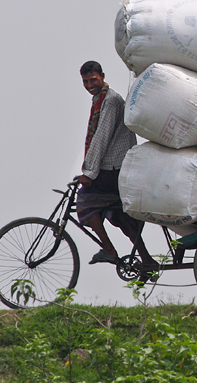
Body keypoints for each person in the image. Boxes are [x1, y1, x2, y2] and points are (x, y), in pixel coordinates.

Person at [77, 60, 158, 280]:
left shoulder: (110, 100)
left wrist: (89, 172)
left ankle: (110, 250)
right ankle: (147, 260)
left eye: (93, 80)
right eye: (85, 81)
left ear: (102, 76)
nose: (90, 85)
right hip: (115, 168)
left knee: (84, 201)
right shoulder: (100, 99)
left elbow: (101, 137)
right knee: (121, 217)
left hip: (114, 168)